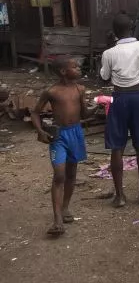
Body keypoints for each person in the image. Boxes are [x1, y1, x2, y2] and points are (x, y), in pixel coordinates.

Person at [100, 13, 139, 207]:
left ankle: (120, 197)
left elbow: (103, 78)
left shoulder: (109, 53)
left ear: (114, 31)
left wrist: (108, 45)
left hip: (118, 98)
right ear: (133, 26)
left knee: (116, 147)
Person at [31, 56, 88, 235]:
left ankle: (65, 208)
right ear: (64, 71)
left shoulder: (80, 89)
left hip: (76, 133)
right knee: (59, 175)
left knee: (71, 174)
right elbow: (34, 112)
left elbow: (85, 113)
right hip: (59, 136)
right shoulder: (52, 91)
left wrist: (96, 108)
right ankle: (57, 221)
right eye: (74, 67)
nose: (79, 68)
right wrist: (40, 131)